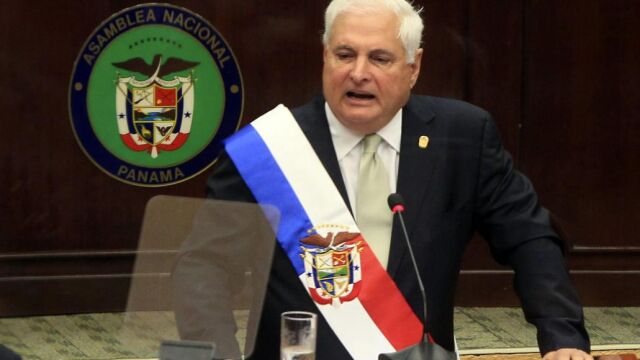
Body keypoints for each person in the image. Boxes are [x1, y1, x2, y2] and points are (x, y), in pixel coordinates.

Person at [194, 0, 592, 358]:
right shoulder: (267, 150)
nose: (358, 73)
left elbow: (529, 238)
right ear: (324, 56)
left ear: (414, 67)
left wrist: (563, 338)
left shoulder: (464, 137)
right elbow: (203, 266)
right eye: (345, 54)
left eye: (380, 58)